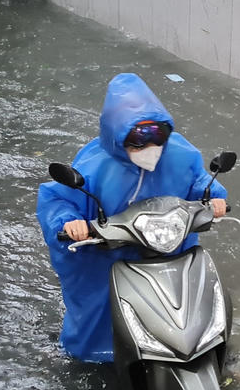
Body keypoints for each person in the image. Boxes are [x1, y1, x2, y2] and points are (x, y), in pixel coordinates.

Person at [37, 73, 228, 362]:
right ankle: (90, 358)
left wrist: (213, 196)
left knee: (202, 299)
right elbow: (58, 199)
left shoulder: (180, 153)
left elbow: (200, 180)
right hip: (109, 254)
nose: (149, 147)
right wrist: (68, 222)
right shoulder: (94, 164)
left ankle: (214, 351)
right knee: (96, 314)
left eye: (157, 136)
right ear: (117, 136)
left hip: (169, 246)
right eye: (137, 139)